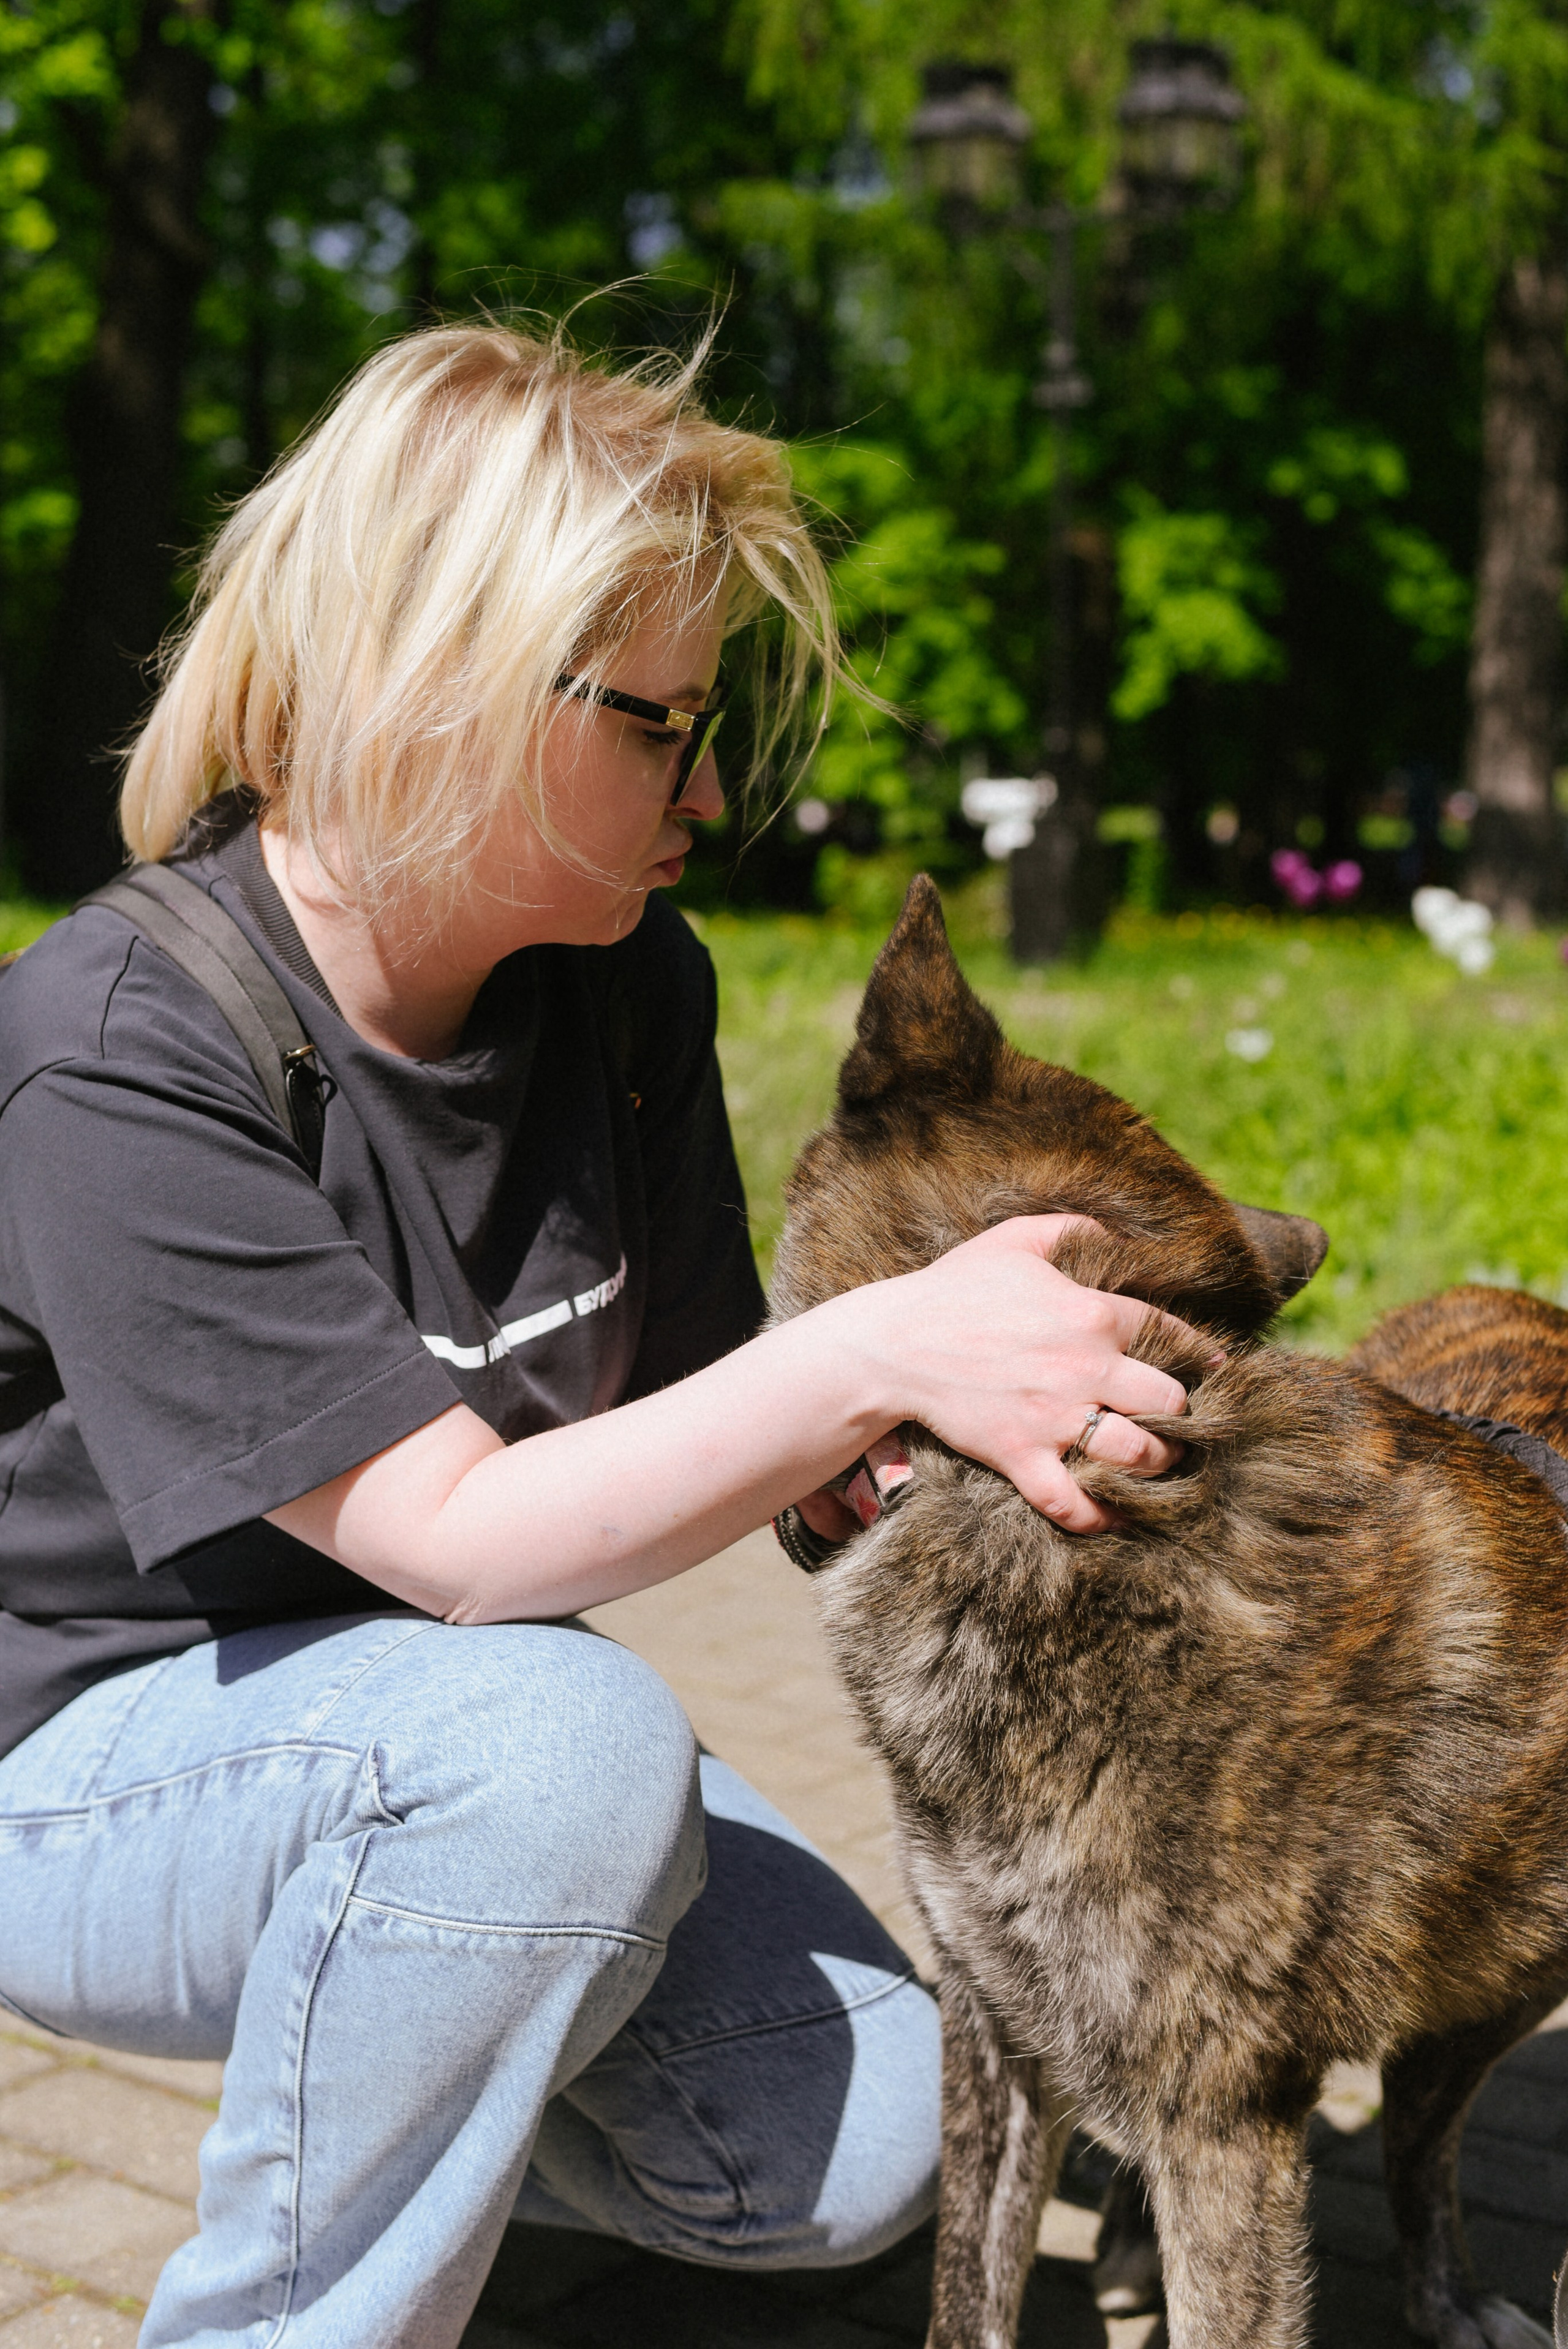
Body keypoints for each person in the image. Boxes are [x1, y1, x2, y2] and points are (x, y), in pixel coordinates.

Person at [0, 323, 1191, 2348]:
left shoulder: (623, 984)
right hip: (95, 1771)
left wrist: (951, 1447)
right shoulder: (119, 1048)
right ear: (447, 682)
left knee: (882, 2127)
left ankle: (428, 2128)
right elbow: (475, 1548)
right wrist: (885, 1349)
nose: (711, 789)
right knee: (570, 1748)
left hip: (437, 1740)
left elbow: (720, 1421)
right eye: (658, 725)